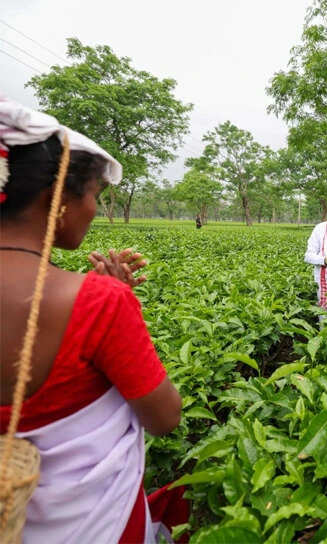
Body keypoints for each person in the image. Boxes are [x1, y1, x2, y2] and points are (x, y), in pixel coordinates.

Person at [0, 98, 183, 542]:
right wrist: (112, 298)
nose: (94, 210)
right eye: (94, 195)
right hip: (90, 525)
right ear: (57, 199)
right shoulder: (97, 303)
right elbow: (164, 416)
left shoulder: (95, 299)